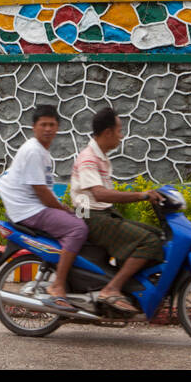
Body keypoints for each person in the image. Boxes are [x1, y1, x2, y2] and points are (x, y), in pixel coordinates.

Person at [70, 107, 165, 315]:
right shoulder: (88, 158)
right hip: (90, 217)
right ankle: (111, 289)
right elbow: (100, 194)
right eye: (119, 131)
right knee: (149, 242)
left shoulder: (100, 157)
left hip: (102, 214)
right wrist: (140, 195)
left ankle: (128, 288)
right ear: (107, 133)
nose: (121, 136)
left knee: (159, 235)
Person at [0, 105, 88, 311]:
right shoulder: (34, 151)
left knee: (79, 221)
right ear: (34, 127)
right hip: (28, 210)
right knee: (78, 229)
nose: (47, 129)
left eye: (51, 125)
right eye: (43, 124)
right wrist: (64, 209)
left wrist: (66, 208)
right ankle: (58, 286)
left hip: (30, 207)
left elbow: (45, 189)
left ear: (58, 128)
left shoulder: (41, 151)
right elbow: (42, 193)